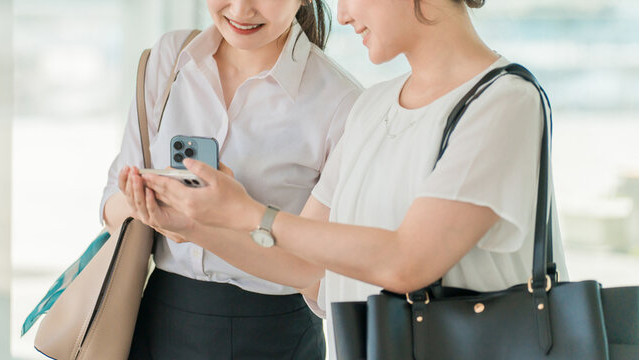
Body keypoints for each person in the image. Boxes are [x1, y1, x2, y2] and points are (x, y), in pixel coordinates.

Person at [135, 0, 569, 358]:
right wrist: (193, 226)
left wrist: (248, 212)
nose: (340, 15)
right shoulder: (372, 108)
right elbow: (304, 269)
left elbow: (406, 262)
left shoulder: (505, 101)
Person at [99, 0, 362, 357]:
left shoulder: (342, 103)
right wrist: (151, 207)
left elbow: (322, 276)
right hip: (159, 321)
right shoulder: (171, 59)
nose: (240, 9)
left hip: (275, 335)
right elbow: (111, 205)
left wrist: (215, 219)